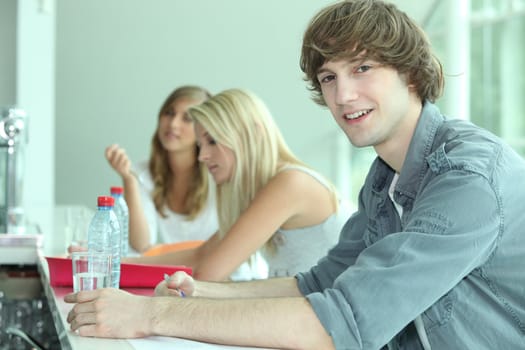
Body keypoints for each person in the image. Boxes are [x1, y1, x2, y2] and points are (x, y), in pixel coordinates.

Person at [65, 1, 525, 349]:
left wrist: (149, 314)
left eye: (362, 68)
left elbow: (343, 321)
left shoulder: (468, 177)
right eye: (329, 78)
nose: (343, 95)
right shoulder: (386, 177)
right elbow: (319, 282)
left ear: (409, 72)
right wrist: (199, 293)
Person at [124, 88, 349, 281]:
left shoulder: (290, 183)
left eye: (212, 141)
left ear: (254, 133)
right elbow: (200, 255)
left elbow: (208, 274)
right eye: (200, 145)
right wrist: (121, 264)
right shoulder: (264, 189)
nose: (202, 156)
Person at [104, 86, 218, 255]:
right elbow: (142, 244)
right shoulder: (141, 173)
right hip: (175, 275)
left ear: (205, 130)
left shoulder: (218, 173)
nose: (173, 124)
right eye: (169, 113)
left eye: (187, 118)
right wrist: (129, 180)